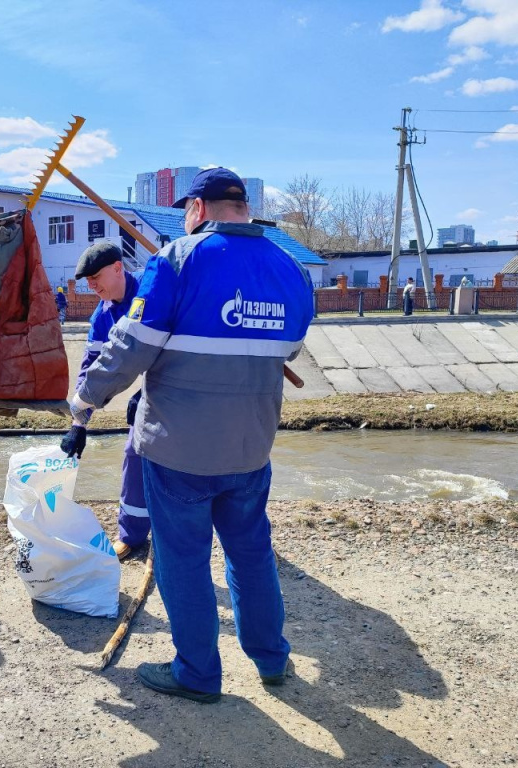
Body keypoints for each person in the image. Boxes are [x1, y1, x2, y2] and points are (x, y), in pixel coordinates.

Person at [60, 167, 314, 703]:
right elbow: (288, 350)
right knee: (251, 553)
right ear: (243, 207)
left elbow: (131, 346)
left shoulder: (177, 258)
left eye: (184, 212)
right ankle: (272, 661)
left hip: (178, 450)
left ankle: (197, 674)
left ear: (196, 209)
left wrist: (84, 400)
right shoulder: (291, 269)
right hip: (251, 448)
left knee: (184, 560)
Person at [70, 242, 146, 560]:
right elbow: (91, 366)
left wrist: (146, 393)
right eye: (88, 282)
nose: (92, 287)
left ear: (118, 268)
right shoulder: (102, 315)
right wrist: (78, 423)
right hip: (152, 379)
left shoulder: (152, 288)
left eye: (96, 277)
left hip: (184, 374)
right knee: (135, 452)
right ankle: (133, 534)